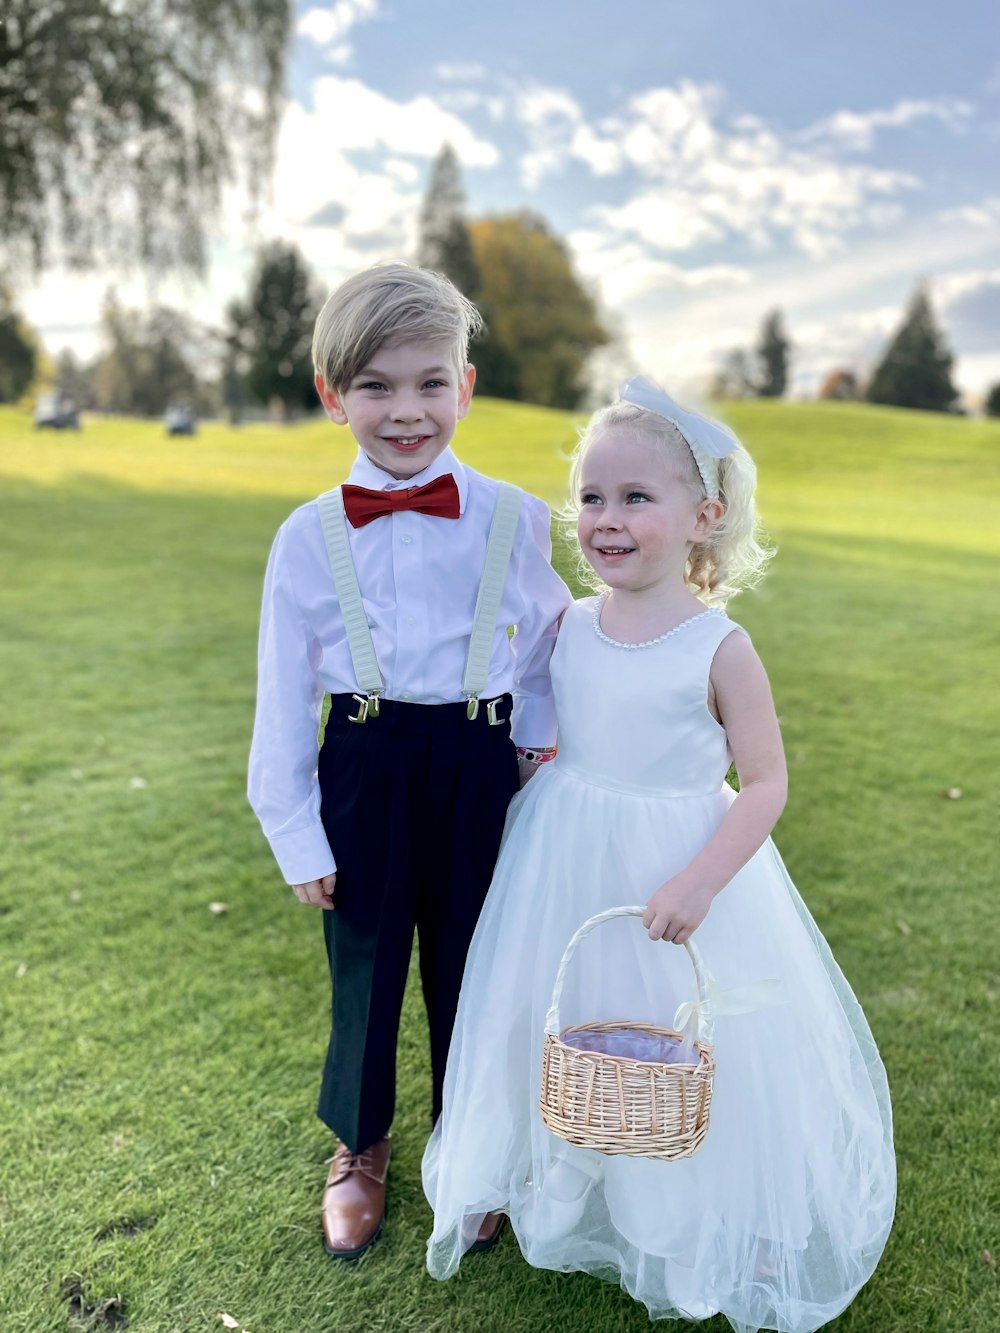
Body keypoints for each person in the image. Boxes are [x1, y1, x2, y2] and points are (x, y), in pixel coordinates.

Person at [423, 378, 895, 1330]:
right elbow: (540, 735)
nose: (606, 518)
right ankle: (538, 1175)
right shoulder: (570, 626)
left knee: (684, 1030)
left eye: (637, 498)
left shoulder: (719, 648)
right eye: (593, 497)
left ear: (703, 518)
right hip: (563, 851)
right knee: (550, 1010)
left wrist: (699, 880)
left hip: (679, 858)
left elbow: (764, 783)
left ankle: (703, 1207)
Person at [247, 262, 571, 1260]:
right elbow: (278, 699)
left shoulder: (514, 516)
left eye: (430, 382)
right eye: (376, 386)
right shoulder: (306, 538)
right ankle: (360, 1144)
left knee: (476, 969)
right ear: (332, 395)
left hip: (477, 760)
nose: (405, 410)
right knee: (367, 966)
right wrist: (295, 833)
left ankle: (470, 1150)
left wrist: (533, 749)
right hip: (364, 758)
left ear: (465, 387)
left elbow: (547, 641)